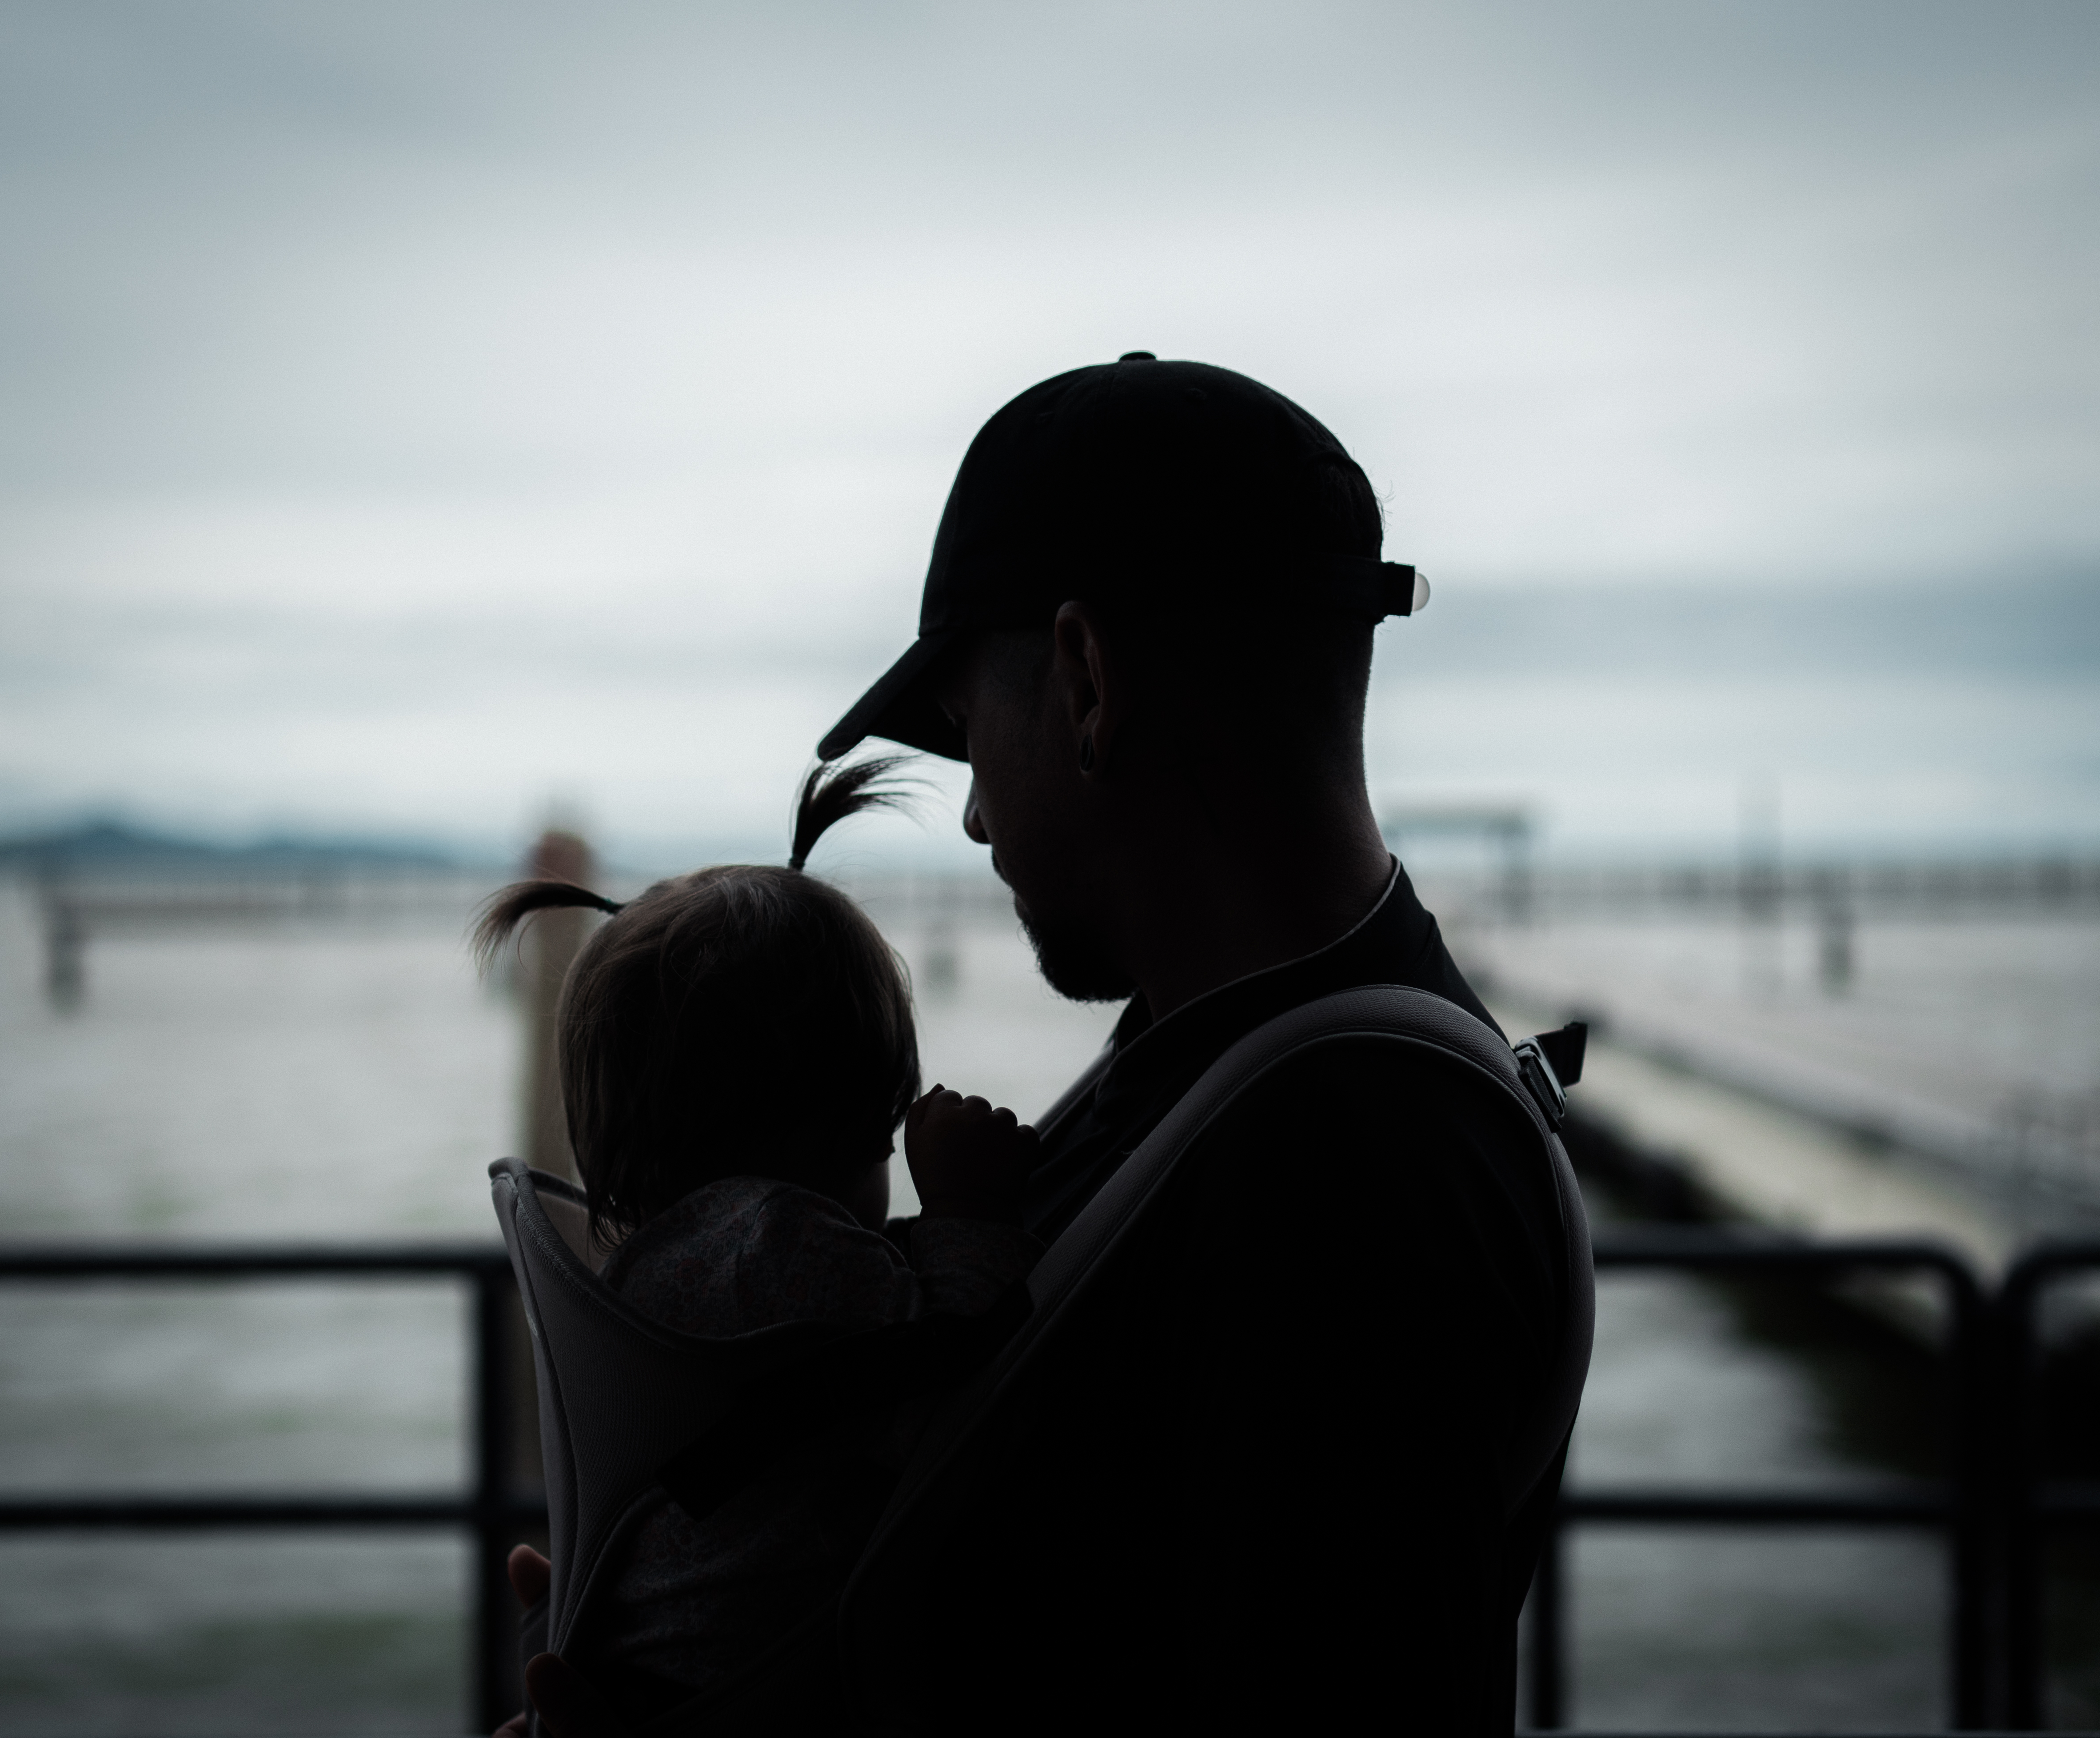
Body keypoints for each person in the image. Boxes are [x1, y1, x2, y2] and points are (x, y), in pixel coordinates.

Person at [509, 354, 1582, 1734]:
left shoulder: (1344, 1176)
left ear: (1083, 677)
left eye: (965, 739)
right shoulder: (1221, 1069)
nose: (973, 825)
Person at [475, 760, 1043, 1723]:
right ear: (867, 1114)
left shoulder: (659, 1266)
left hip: (643, 1672)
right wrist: (964, 1216)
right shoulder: (781, 1249)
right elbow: (952, 1372)